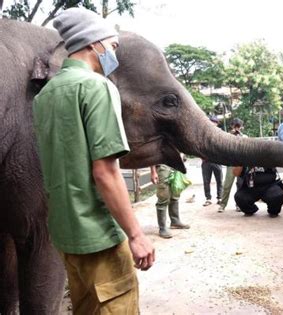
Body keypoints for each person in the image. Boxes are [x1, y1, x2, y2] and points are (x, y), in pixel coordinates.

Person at [32, 8, 154, 313]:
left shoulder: (44, 96)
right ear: (93, 44)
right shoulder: (97, 88)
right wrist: (137, 235)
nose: (113, 54)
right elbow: (105, 172)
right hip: (100, 239)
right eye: (112, 46)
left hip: (65, 237)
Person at [150, 164, 190, 239]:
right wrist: (153, 171)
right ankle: (162, 228)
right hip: (162, 167)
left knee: (175, 195)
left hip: (174, 166)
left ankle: (175, 221)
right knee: (163, 197)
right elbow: (151, 155)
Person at [218, 118, 246, 213]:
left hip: (241, 165)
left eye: (238, 126)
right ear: (232, 126)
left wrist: (240, 135)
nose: (237, 128)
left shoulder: (244, 137)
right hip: (231, 164)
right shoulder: (227, 136)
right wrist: (231, 135)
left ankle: (239, 204)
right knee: (227, 185)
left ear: (241, 127)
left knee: (240, 185)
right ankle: (222, 205)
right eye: (235, 126)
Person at [201, 115, 223, 206]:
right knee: (206, 181)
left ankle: (220, 197)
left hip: (217, 161)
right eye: (211, 121)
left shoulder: (220, 133)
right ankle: (208, 198)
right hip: (206, 161)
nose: (213, 123)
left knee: (219, 180)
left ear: (217, 123)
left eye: (215, 122)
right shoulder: (203, 133)